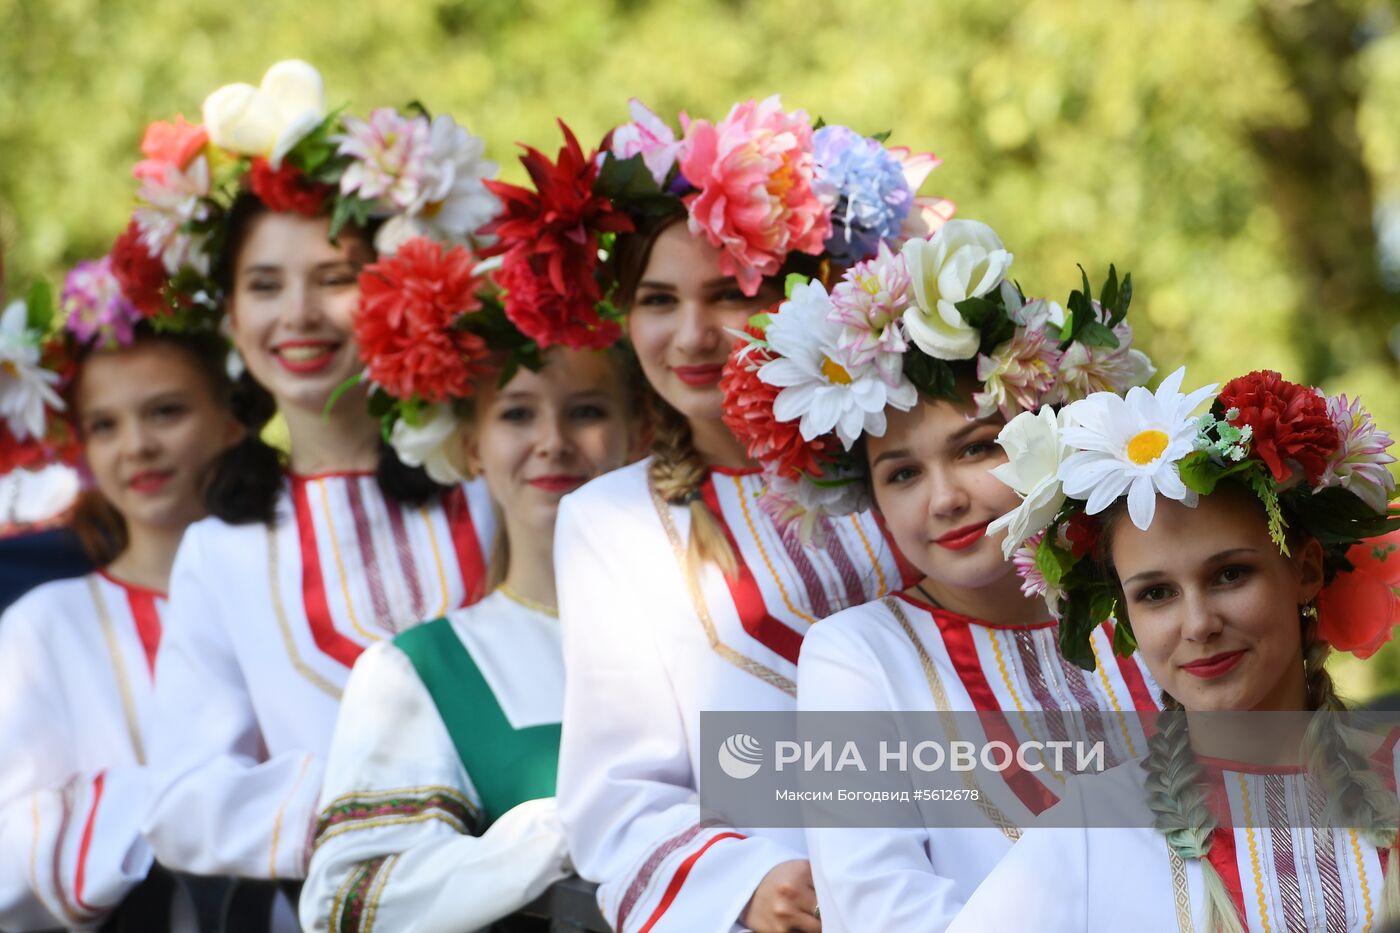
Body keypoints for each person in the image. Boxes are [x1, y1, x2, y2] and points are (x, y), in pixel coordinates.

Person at [552, 100, 950, 933]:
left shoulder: (908, 467)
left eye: (730, 291)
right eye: (657, 299)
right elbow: (618, 793)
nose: (692, 334)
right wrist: (748, 878)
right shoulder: (611, 521)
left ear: (809, 295)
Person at [721, 217, 1161, 930]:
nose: (944, 497)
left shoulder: (1143, 601)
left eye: (976, 448)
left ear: (1042, 431)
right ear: (869, 497)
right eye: (901, 473)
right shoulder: (855, 654)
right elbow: (878, 910)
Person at [137, 61, 503, 882]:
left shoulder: (492, 482)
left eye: (333, 280)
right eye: (265, 285)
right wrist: (375, 812)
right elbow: (184, 799)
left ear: (391, 292)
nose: (297, 313)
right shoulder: (222, 550)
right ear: (230, 316)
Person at [950, 368, 1400, 931]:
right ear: (1128, 614)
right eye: (1156, 593)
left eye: (1231, 574)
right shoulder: (1091, 835)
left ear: (1305, 569)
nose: (1198, 623)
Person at [299, 217, 640, 928]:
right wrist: (562, 827)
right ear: (473, 446)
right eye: (517, 414)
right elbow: (348, 901)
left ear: (638, 433)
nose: (552, 442)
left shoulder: (711, 634)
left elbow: (827, 808)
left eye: (586, 411)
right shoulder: (421, 669)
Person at [0, 252, 242, 929]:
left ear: (232, 420)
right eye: (105, 424)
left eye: (165, 411)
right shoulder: (47, 624)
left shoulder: (288, 588)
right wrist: (162, 806)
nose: (136, 445)